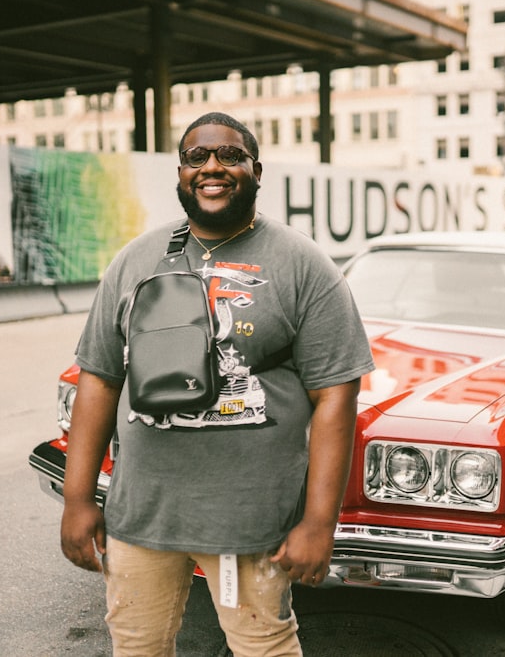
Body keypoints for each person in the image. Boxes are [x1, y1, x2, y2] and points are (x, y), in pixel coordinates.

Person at [59, 111, 375, 656]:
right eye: (196, 157)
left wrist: (320, 522)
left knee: (263, 646)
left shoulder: (303, 265)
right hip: (141, 516)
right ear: (180, 173)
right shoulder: (135, 260)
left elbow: (335, 398)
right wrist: (77, 498)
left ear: (256, 170)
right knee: (136, 646)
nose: (212, 167)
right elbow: (100, 380)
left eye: (230, 156)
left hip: (251, 525)